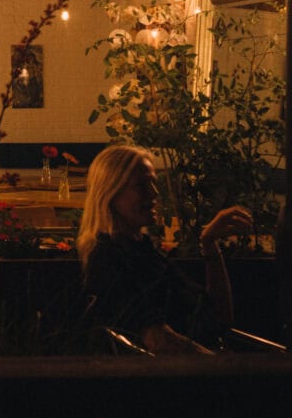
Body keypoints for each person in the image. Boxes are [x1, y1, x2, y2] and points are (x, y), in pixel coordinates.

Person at [77, 145, 253, 354]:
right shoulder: (112, 258)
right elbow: (159, 340)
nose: (154, 192)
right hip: (182, 380)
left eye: (153, 182)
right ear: (111, 193)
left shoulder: (143, 250)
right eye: (141, 185)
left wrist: (209, 243)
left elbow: (219, 317)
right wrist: (224, 368)